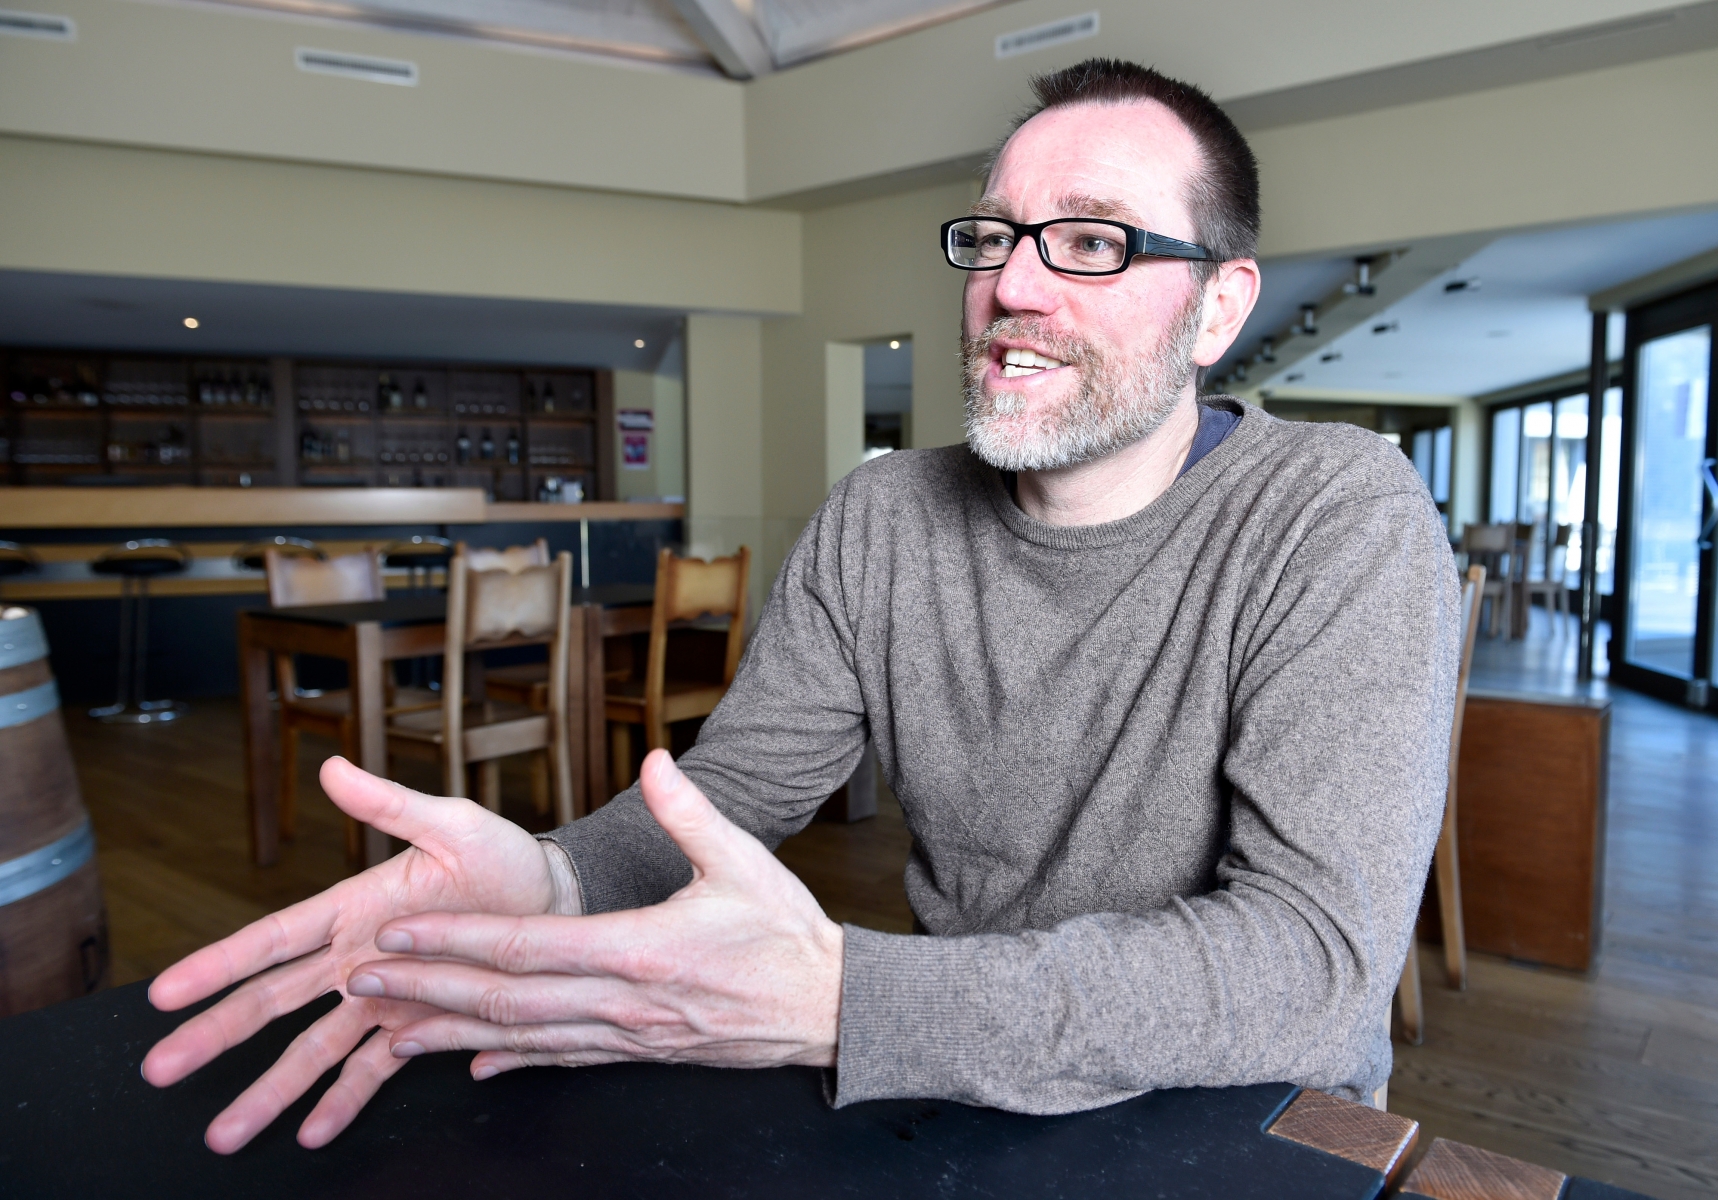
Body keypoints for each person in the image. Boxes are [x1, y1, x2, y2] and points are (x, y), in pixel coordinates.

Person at [143, 58, 1460, 1154]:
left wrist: (846, 999)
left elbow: (1306, 970)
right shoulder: (881, 518)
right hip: (951, 1102)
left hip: (1253, 1125)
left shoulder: (1337, 513)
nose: (1009, 285)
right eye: (993, 235)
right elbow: (728, 804)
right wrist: (548, 877)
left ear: (1217, 307)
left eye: (1093, 241)